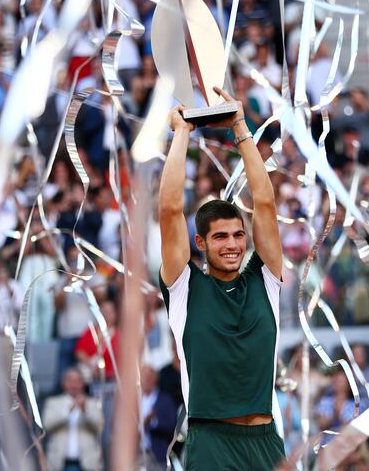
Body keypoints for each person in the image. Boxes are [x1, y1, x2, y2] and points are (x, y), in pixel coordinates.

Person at [158, 87, 285, 469]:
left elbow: (264, 202)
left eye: (238, 235)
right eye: (220, 237)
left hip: (266, 442)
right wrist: (182, 132)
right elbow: (168, 208)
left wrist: (240, 127)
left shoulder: (265, 279)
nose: (232, 244)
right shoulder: (185, 286)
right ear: (201, 242)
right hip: (211, 442)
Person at [42, 368, 103, 471]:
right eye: (70, 380)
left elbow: (99, 427)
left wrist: (85, 411)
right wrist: (69, 411)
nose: (74, 384)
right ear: (63, 383)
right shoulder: (53, 402)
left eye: (77, 381)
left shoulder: (92, 403)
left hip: (87, 464)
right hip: (60, 463)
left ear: (83, 383)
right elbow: (47, 425)